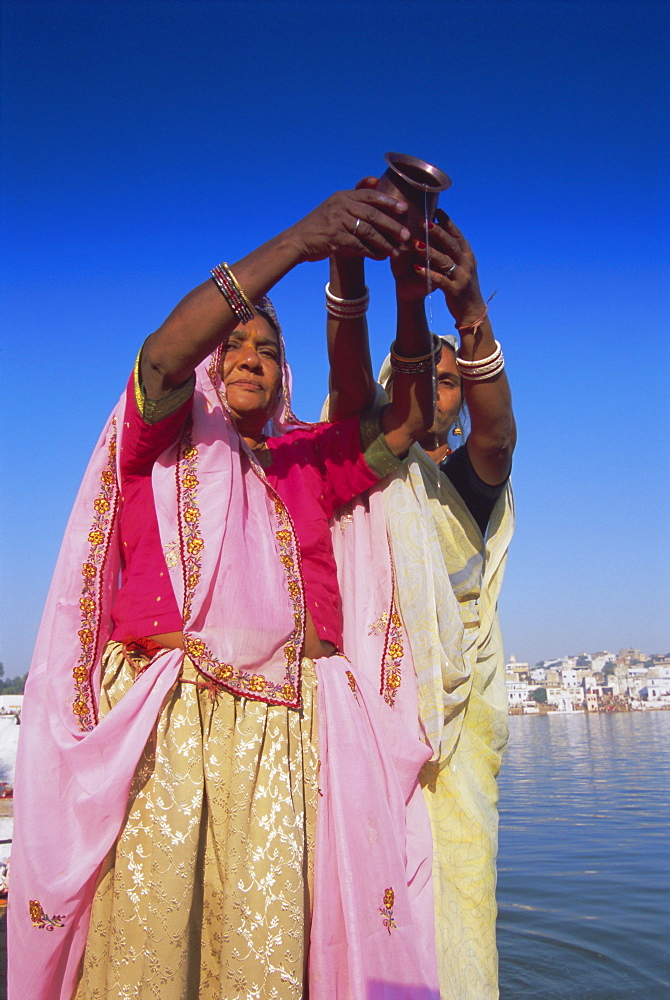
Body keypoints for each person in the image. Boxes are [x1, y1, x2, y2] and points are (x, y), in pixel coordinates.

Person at [9, 183, 441, 1000]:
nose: (249, 357)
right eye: (234, 343)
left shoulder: (305, 459)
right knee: (154, 946)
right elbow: (163, 355)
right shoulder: (163, 435)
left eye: (268, 350)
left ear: (283, 375)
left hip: (285, 739)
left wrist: (411, 295)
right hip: (173, 728)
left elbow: (407, 424)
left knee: (262, 956)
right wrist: (302, 240)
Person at [324, 204, 516, 1000]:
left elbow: (499, 440)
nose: (436, 390)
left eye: (448, 381)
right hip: (366, 728)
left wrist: (470, 316)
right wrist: (348, 277)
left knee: (458, 910)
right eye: (423, 376)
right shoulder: (360, 469)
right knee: (364, 903)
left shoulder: (466, 482)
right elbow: (345, 394)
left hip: (455, 742)